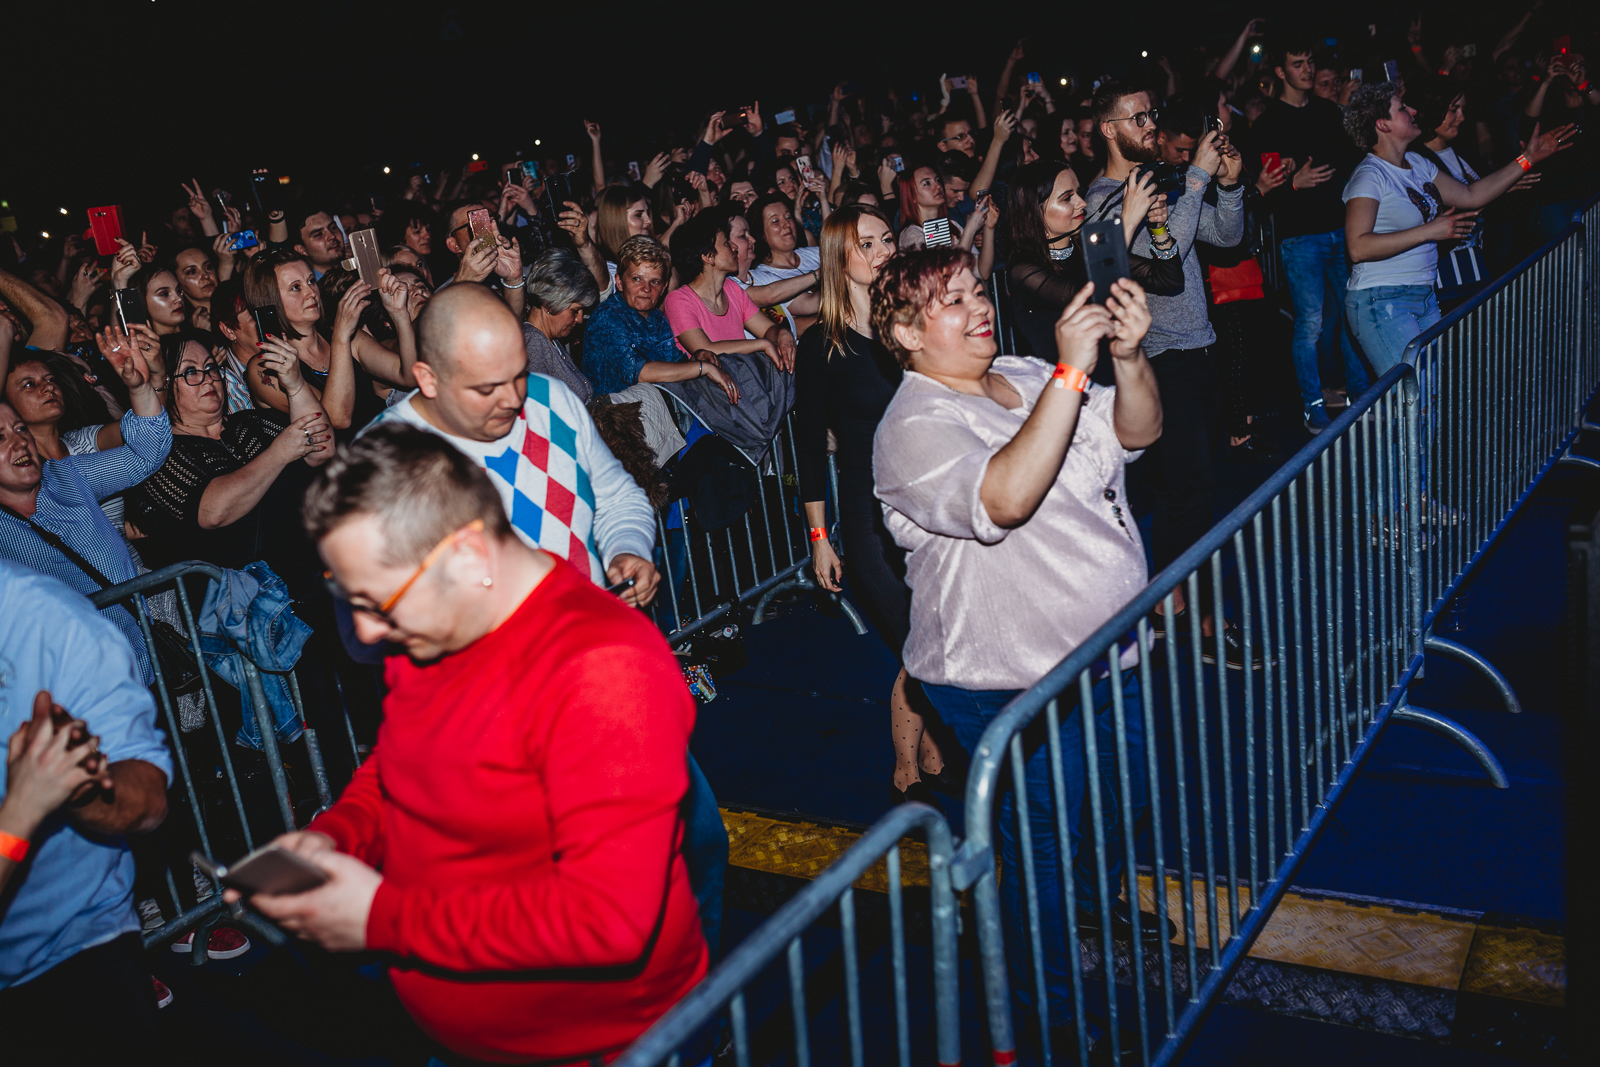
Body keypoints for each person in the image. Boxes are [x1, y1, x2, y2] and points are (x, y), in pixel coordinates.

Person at [234, 427, 707, 1065]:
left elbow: (609, 921)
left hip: (599, 1046)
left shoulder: (603, 670)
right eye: (351, 598)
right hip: (463, 1033)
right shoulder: (432, 624)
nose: (368, 631)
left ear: (470, 559)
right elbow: (400, 757)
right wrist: (338, 834)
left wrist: (382, 919)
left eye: (379, 600)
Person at [870, 248, 1167, 1052]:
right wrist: (1072, 376)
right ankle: (1050, 1020)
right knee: (1039, 845)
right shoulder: (911, 425)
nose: (977, 307)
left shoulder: (1027, 370)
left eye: (976, 290)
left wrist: (1129, 359)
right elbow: (1003, 494)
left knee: (1115, 802)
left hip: (1109, 652)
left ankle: (1073, 913)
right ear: (904, 330)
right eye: (950, 300)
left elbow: (1138, 431)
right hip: (1010, 680)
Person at [1082, 83, 1254, 668]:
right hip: (1158, 359)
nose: (1151, 123)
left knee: (1187, 492)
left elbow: (1224, 238)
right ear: (1109, 128)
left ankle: (1173, 603)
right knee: (1188, 493)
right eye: (1138, 116)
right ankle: (1175, 610)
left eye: (1151, 112)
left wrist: (1227, 185)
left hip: (1199, 349)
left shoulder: (1161, 181)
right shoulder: (1105, 198)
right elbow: (1163, 259)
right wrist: (1201, 178)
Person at [370, 281, 660, 606]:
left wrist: (627, 549)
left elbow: (618, 498)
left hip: (589, 634)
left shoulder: (550, 397)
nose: (513, 398)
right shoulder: (386, 455)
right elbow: (382, 596)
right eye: (487, 387)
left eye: (519, 373)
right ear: (429, 379)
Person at [794, 205, 950, 802]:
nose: (884, 248)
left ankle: (931, 759)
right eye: (868, 242)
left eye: (887, 237)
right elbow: (810, 447)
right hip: (867, 515)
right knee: (920, 639)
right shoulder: (820, 348)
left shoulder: (908, 325)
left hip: (929, 506)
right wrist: (818, 538)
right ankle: (907, 773)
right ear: (841, 257)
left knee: (934, 634)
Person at [0, 560, 173, 1061]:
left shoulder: (53, 623)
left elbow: (147, 795)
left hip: (69, 950)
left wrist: (78, 789)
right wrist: (24, 808)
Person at [1341, 82, 1573, 374]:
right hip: (1382, 300)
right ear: (1382, 124)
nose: (1412, 110)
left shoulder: (1416, 163)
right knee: (1414, 397)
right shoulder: (1369, 176)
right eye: (1402, 108)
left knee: (1432, 394)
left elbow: (1471, 195)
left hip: (1422, 293)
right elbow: (1358, 247)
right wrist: (1429, 231)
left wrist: (1527, 160)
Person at [0, 335, 170, 661]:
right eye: (1, 437)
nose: (20, 442)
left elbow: (147, 452)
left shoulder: (67, 477)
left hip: (143, 657)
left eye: (21, 430)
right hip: (73, 684)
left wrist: (140, 388)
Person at [124, 330, 334, 593]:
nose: (208, 379)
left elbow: (322, 448)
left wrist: (295, 385)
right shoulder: (158, 456)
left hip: (320, 568)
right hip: (259, 605)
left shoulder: (248, 423)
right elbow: (213, 512)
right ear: (164, 384)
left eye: (211, 368)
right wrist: (279, 454)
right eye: (191, 372)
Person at [1248, 39, 1370, 432]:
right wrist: (1294, 184)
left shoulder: (1326, 112)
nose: (1306, 69)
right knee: (1310, 324)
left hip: (1341, 228)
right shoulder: (1267, 124)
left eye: (1309, 62)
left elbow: (1353, 159)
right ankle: (1312, 405)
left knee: (1352, 316)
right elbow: (1262, 190)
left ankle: (1358, 394)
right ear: (1281, 73)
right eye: (1297, 63)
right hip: (1300, 237)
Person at [1006, 159, 1180, 361]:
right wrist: (1127, 223)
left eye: (1078, 193)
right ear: (1034, 211)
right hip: (1067, 385)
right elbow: (1093, 298)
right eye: (1067, 198)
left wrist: (1158, 230)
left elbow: (1168, 279)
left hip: (1110, 377)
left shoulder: (1087, 249)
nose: (1082, 203)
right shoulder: (1024, 271)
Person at [585, 236, 740, 401]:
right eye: (637, 279)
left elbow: (676, 365)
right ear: (620, 282)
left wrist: (698, 356)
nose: (646, 288)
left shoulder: (657, 318)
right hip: (619, 418)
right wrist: (702, 368)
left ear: (664, 287)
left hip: (663, 410)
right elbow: (640, 373)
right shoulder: (607, 317)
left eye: (655, 281)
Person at [664, 212, 797, 385]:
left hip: (743, 382)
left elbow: (766, 329)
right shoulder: (679, 300)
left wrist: (782, 333)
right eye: (726, 243)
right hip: (710, 394)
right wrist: (761, 344)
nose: (734, 247)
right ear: (708, 256)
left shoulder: (732, 289)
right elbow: (707, 350)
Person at [522, 248, 600, 403]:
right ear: (549, 305)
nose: (579, 319)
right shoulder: (534, 344)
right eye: (575, 311)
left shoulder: (550, 339)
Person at [746, 194, 824, 335]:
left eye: (788, 217)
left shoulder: (814, 253)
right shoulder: (762, 276)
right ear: (761, 233)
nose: (786, 224)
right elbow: (809, 304)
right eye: (775, 221)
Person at [293, 207, 347, 279]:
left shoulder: (357, 273)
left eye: (333, 227)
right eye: (318, 234)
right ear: (301, 249)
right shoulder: (309, 288)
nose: (332, 236)